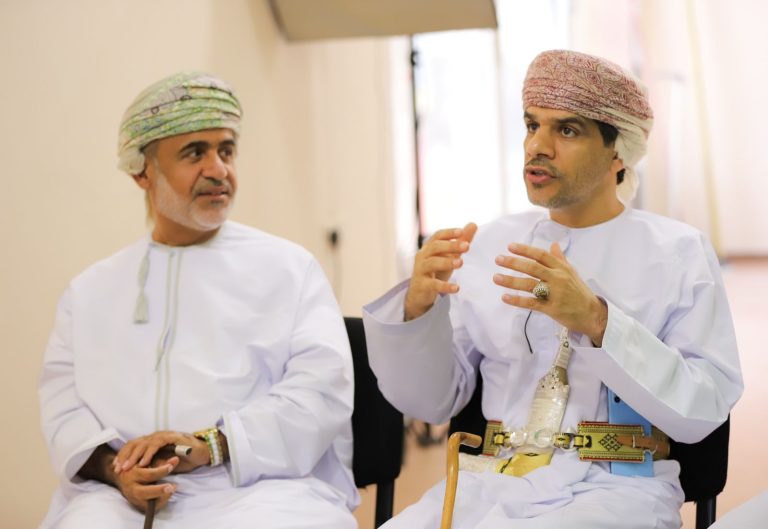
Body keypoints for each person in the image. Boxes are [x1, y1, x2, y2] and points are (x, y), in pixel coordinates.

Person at [362, 50, 743, 528]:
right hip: (487, 484)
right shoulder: (489, 246)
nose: (537, 146)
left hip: (614, 490)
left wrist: (599, 322)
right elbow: (432, 402)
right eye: (531, 125)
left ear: (618, 151)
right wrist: (418, 313)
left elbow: (704, 408)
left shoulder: (678, 252)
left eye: (567, 130)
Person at [38, 72, 358, 529]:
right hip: (119, 498)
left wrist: (212, 446)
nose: (218, 170)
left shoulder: (288, 269)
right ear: (143, 171)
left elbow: (320, 392)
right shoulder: (89, 292)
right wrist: (116, 470)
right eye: (194, 153)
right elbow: (63, 408)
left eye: (226, 150)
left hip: (257, 489)